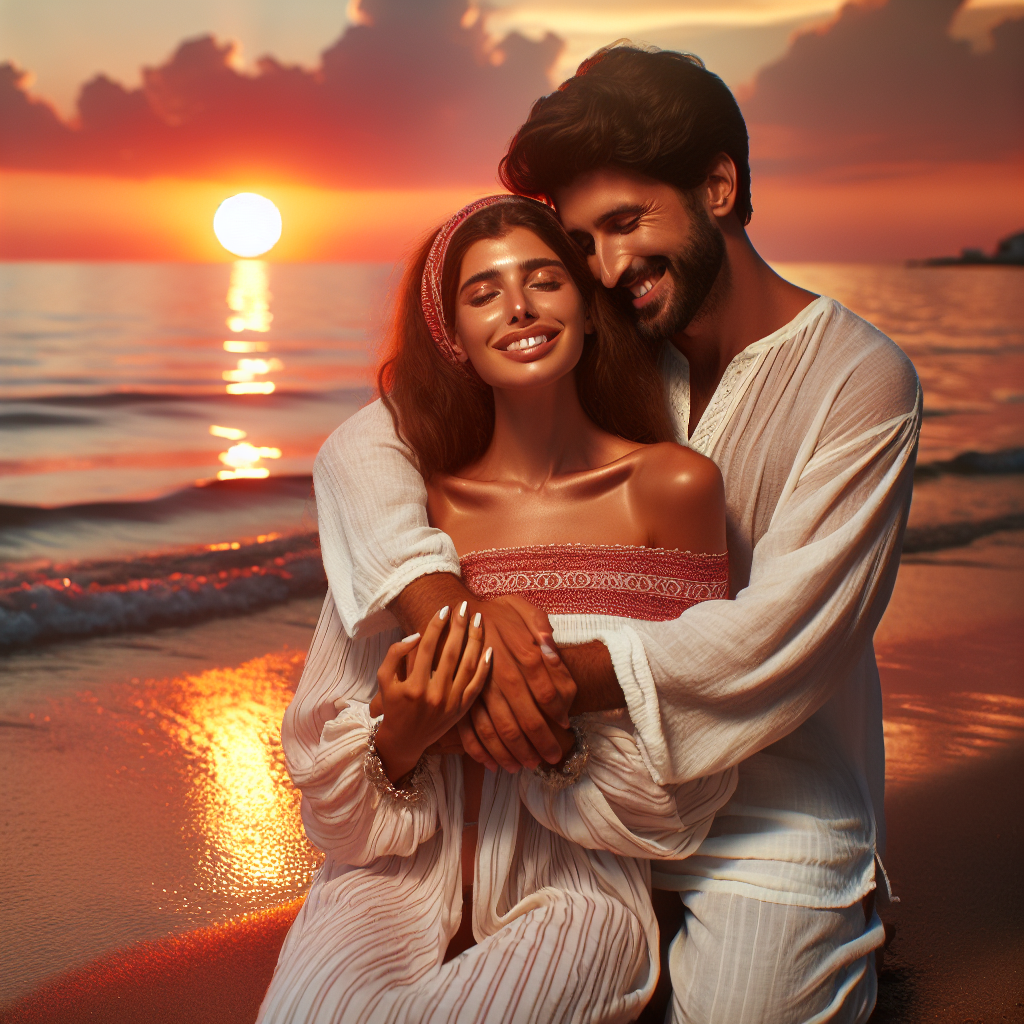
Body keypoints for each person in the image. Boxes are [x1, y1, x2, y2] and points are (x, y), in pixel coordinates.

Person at [315, 45, 922, 1024]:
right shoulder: (610, 331)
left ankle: (843, 928)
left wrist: (539, 676)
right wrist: (448, 607)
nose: (603, 267)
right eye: (583, 239)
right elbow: (369, 440)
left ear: (718, 187)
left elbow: (781, 634)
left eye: (627, 223)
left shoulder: (862, 379)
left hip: (771, 790)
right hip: (572, 774)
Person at [258, 195, 739, 1024]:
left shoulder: (672, 487)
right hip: (386, 883)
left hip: (578, 892)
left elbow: (693, 779)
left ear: (589, 308)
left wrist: (548, 728)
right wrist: (401, 732)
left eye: (543, 281)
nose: (517, 308)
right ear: (454, 341)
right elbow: (331, 816)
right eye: (482, 294)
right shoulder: (415, 518)